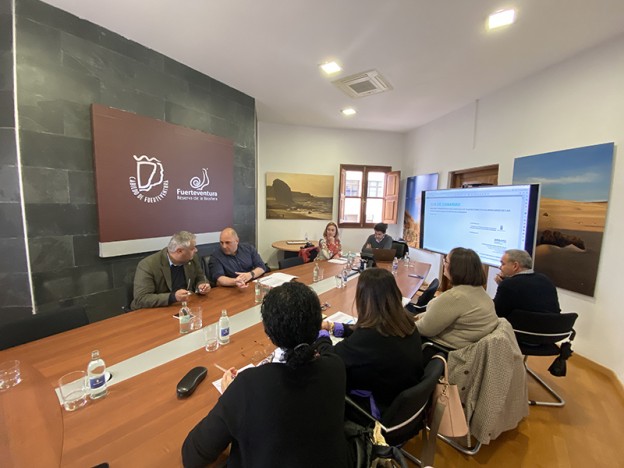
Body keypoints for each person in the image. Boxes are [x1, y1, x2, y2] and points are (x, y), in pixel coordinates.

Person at [182, 281, 349, 468]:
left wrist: (230, 396)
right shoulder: (335, 366)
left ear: (268, 332)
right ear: (318, 326)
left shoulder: (248, 386)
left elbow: (193, 456)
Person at [321, 268, 424, 415]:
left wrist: (321, 334)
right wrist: (333, 327)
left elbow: (329, 358)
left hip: (376, 408)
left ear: (364, 299)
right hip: (400, 400)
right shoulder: (404, 322)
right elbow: (370, 333)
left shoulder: (368, 339)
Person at [415, 247, 498, 353]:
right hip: (467, 348)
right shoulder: (480, 292)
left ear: (456, 268)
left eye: (446, 261)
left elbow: (424, 329)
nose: (444, 263)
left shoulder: (455, 297)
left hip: (442, 350)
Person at [131, 231, 210, 310]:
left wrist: (202, 286)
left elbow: (201, 278)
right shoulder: (148, 265)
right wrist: (173, 297)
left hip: (185, 306)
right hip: (157, 310)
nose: (196, 250)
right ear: (179, 251)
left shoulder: (191, 258)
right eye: (192, 248)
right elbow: (141, 299)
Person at [493, 249, 561, 318]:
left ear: (515, 266)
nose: (500, 267)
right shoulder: (546, 280)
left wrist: (502, 285)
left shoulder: (508, 285)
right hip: (554, 323)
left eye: (503, 264)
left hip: (524, 324)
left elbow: (496, 313)